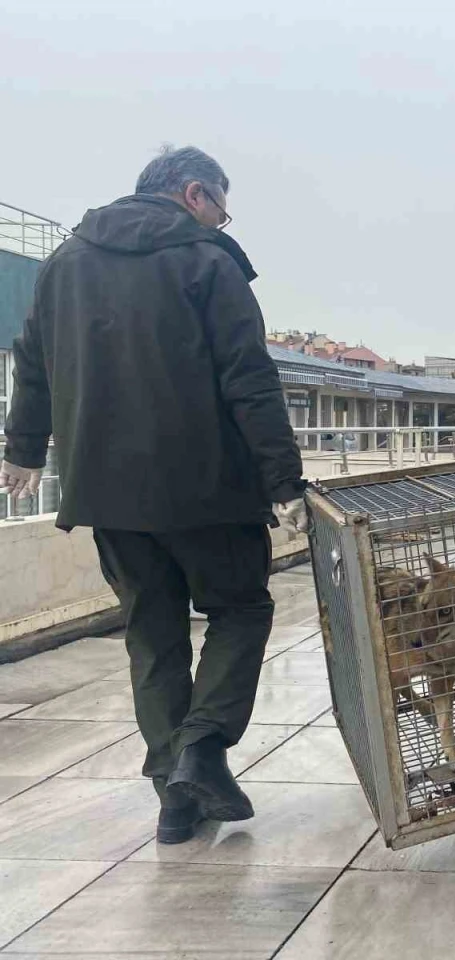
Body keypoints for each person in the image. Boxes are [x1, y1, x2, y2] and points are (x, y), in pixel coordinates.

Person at [0, 146, 309, 845]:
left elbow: (33, 361)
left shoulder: (64, 263)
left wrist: (22, 450)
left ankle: (175, 800)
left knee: (153, 635)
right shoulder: (208, 260)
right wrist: (284, 483)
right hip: (208, 489)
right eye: (222, 206)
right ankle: (201, 749)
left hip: (108, 495)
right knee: (241, 608)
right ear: (194, 192)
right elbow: (249, 380)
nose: (224, 221)